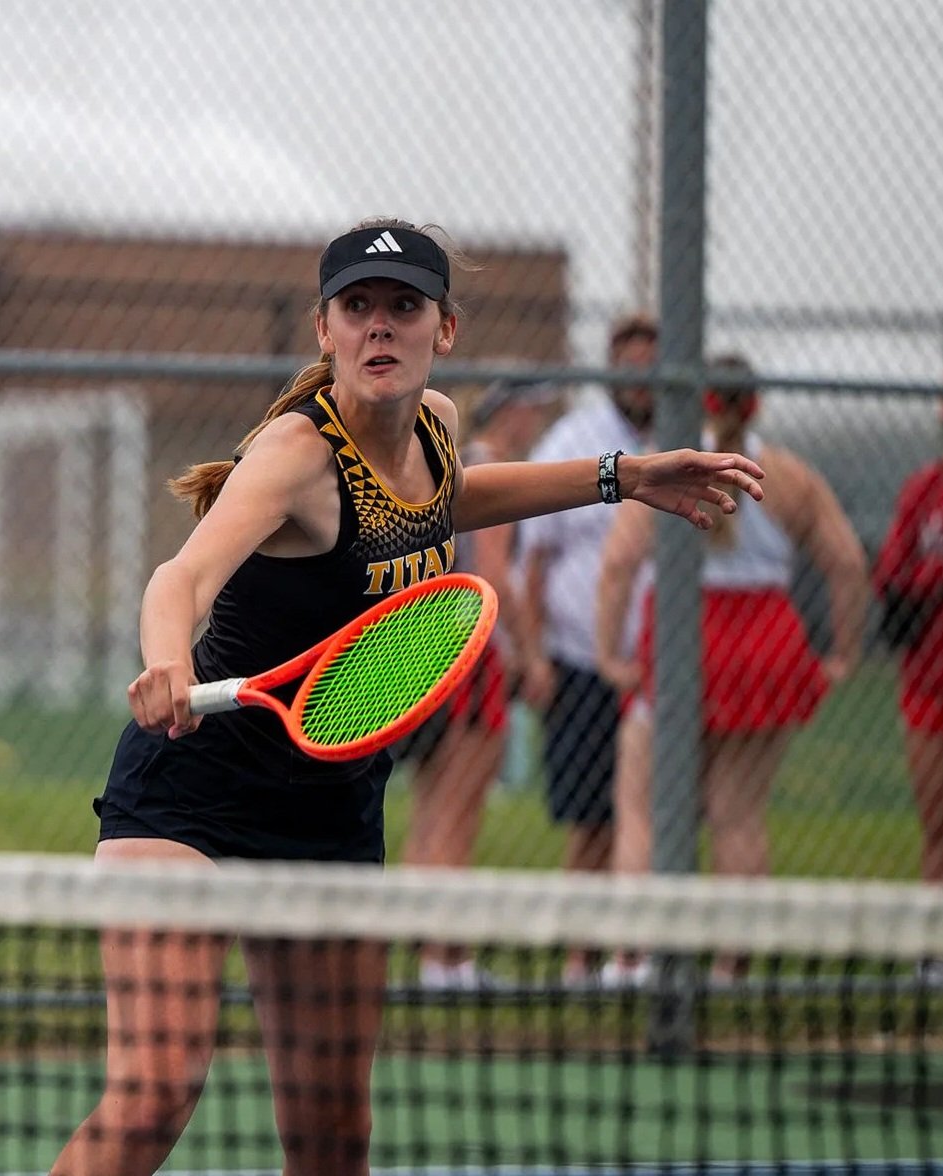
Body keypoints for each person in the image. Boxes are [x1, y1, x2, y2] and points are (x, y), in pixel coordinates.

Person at [53, 217, 764, 1176]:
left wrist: (624, 475)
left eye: (401, 307)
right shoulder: (295, 456)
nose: (378, 328)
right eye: (357, 308)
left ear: (445, 328)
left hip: (330, 813)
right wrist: (165, 662)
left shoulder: (436, 427)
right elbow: (178, 577)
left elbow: (449, 501)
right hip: (188, 801)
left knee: (333, 1134)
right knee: (155, 1093)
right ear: (324, 330)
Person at [594, 357, 866, 983]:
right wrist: (844, 651)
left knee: (643, 808)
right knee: (738, 814)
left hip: (685, 637)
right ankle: (732, 966)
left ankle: (633, 958)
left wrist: (613, 653)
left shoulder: (663, 467)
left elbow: (618, 566)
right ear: (757, 406)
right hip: (764, 643)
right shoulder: (789, 475)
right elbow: (848, 564)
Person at [398, 379, 560, 990]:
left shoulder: (452, 463)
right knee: (455, 816)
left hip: (432, 650)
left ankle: (428, 956)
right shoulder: (490, 468)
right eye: (534, 411)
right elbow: (495, 572)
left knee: (432, 812)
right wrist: (531, 654)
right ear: (512, 413)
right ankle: (446, 960)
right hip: (470, 653)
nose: (538, 423)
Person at [514, 312, 657, 980]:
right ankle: (580, 959)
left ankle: (640, 955)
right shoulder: (572, 441)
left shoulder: (692, 438)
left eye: (652, 365)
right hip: (580, 664)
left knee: (659, 818)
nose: (640, 379)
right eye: (627, 365)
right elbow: (533, 561)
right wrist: (537, 657)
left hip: (668, 673)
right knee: (591, 820)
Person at [872, 395, 943, 919]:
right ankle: (932, 948)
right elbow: (893, 579)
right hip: (930, 682)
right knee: (938, 823)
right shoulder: (924, 490)